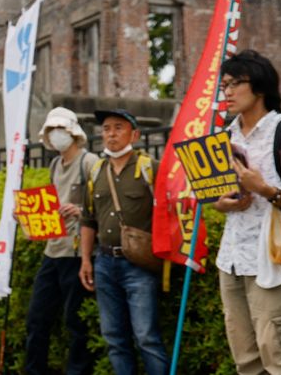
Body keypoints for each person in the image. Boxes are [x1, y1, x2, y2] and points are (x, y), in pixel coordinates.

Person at [214, 51, 281, 374]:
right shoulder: (224, 137)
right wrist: (223, 203)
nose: (227, 92)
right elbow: (216, 198)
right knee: (245, 360)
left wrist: (264, 190)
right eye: (224, 85)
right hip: (231, 258)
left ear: (259, 87)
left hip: (272, 261)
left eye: (235, 84)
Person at [79, 109, 167, 375]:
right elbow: (87, 220)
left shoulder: (149, 167)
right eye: (106, 129)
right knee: (114, 338)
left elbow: (169, 213)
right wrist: (86, 260)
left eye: (118, 127)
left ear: (135, 134)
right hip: (104, 263)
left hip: (139, 264)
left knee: (146, 337)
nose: (111, 134)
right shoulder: (96, 171)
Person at [25, 108, 99, 375]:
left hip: (78, 251)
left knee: (75, 321)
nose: (55, 136)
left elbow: (103, 205)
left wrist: (81, 211)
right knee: (37, 318)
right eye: (51, 131)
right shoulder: (55, 165)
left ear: (73, 133)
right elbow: (49, 206)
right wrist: (28, 215)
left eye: (60, 130)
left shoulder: (89, 162)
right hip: (52, 249)